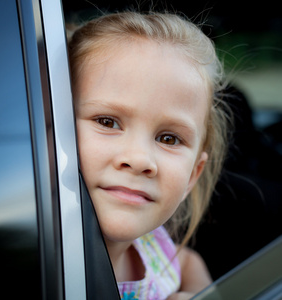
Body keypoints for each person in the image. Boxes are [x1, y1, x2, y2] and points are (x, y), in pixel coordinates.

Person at [68, 11, 229, 300]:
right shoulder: (41, 265)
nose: (140, 159)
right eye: (107, 121)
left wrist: (199, 292)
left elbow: (186, 260)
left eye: (169, 138)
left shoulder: (153, 248)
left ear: (193, 175)